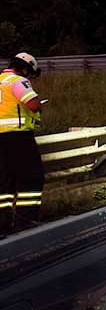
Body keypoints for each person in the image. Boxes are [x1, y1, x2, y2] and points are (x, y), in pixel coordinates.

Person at [0, 52, 45, 235]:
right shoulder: (17, 81)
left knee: (4, 182)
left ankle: (3, 224)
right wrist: (40, 107)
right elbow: (33, 104)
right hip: (18, 137)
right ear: (24, 69)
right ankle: (25, 220)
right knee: (32, 177)